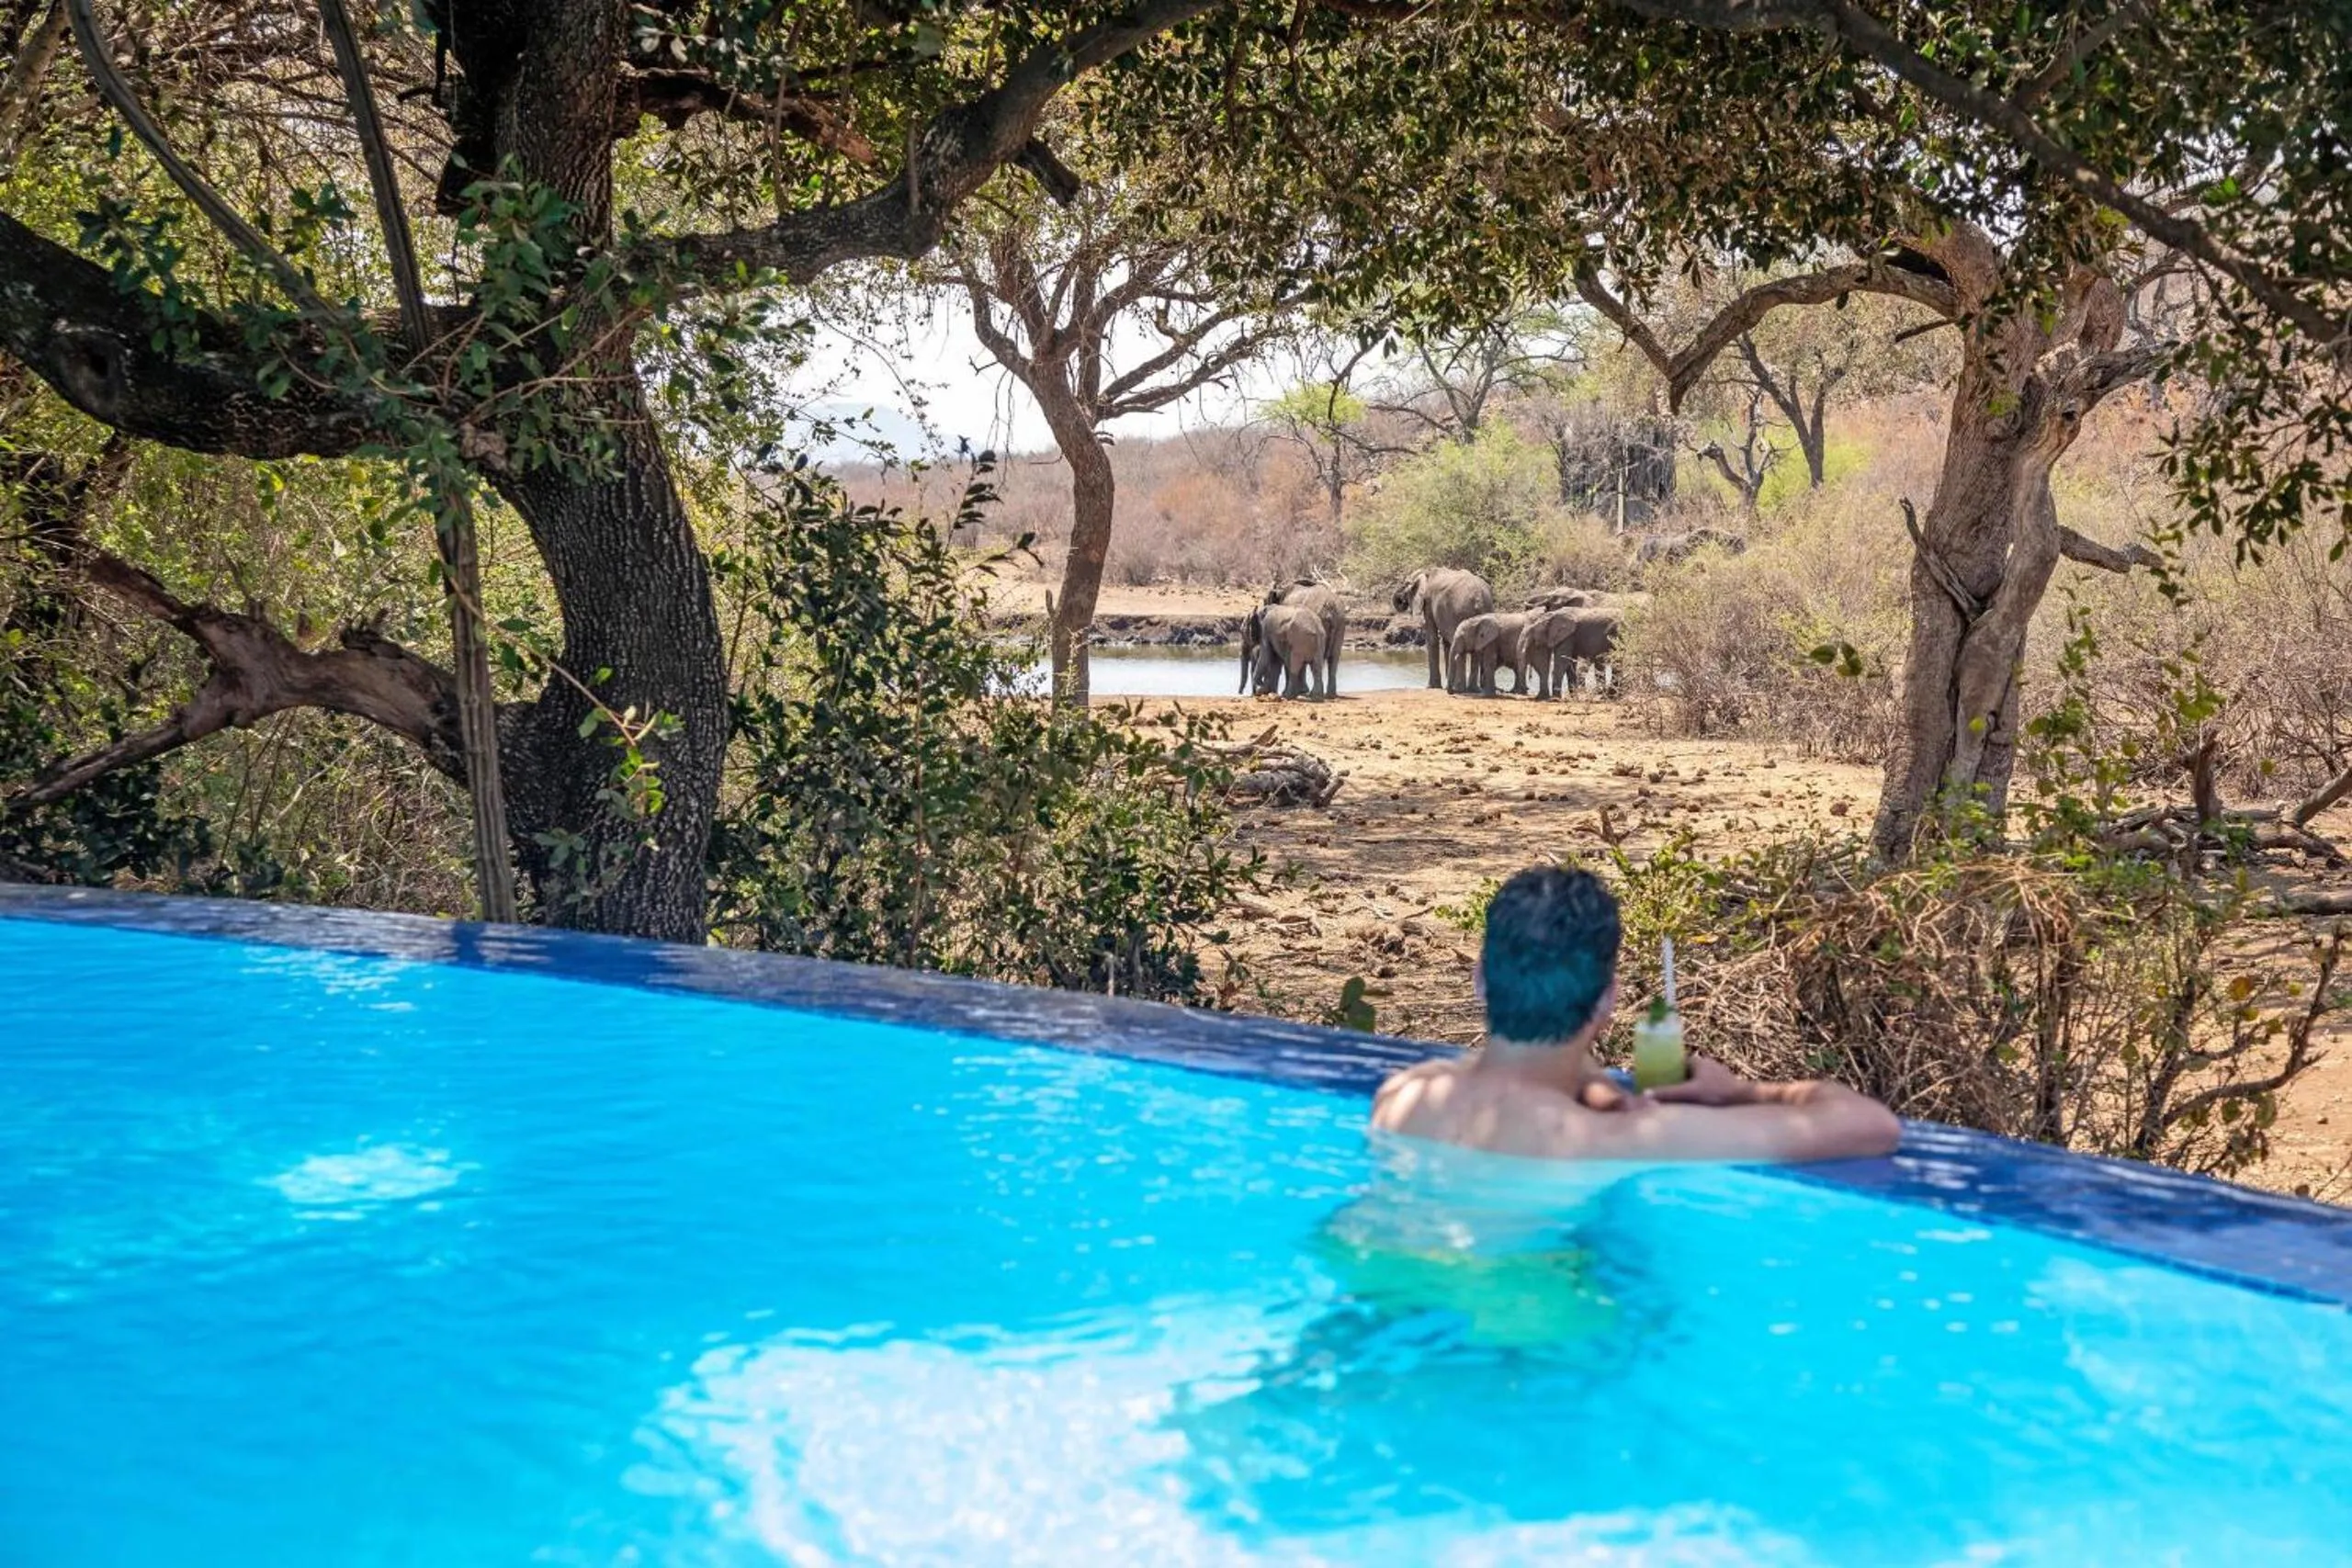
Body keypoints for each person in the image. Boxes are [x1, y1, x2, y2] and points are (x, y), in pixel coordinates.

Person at [1373, 865, 1901, 1162]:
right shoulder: (1614, 1142)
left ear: (1480, 981)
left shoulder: (1403, 1098)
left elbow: (1519, 1072)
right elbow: (1871, 1125)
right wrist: (1747, 1094)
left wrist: (1595, 1086)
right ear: (1609, 999)